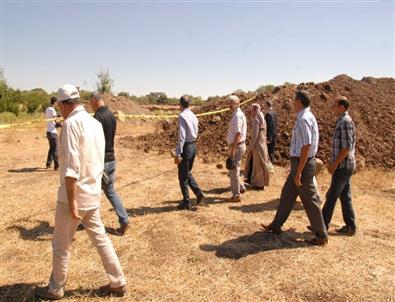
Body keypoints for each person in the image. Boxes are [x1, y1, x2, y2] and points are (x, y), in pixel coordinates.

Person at [35, 84, 126, 300]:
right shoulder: (94, 123)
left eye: (59, 106)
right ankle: (118, 281)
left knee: (60, 245)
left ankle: (56, 288)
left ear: (65, 104)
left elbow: (71, 167)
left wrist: (72, 201)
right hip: (93, 194)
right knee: (101, 238)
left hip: (74, 197)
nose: (60, 111)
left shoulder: (71, 125)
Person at [261, 90, 328, 246]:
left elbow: (306, 146)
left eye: (293, 100)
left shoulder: (304, 119)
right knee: (287, 195)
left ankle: (321, 235)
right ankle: (276, 225)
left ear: (299, 101)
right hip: (299, 163)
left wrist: (298, 171)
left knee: (310, 201)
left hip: (303, 165)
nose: (291, 103)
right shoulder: (306, 116)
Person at [89, 91, 129, 235]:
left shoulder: (98, 118)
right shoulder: (112, 115)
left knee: (94, 191)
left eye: (89, 103)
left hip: (101, 161)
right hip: (111, 159)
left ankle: (123, 219)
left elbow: (95, 142)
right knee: (109, 190)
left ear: (94, 100)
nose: (90, 106)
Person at [321, 96, 357, 236]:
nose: (332, 108)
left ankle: (321, 226)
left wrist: (334, 165)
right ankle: (350, 226)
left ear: (341, 107)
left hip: (343, 166)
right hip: (344, 165)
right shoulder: (341, 121)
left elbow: (346, 147)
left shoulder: (345, 122)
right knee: (345, 196)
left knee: (331, 196)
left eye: (334, 105)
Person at [174, 95, 204, 210]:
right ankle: (199, 194)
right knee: (187, 173)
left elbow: (181, 136)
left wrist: (177, 153)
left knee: (183, 177)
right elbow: (196, 131)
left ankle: (186, 202)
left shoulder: (182, 116)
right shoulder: (193, 115)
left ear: (180, 104)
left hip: (186, 148)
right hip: (193, 146)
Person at [244, 103, 270, 190]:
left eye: (251, 110)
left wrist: (250, 147)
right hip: (262, 143)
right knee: (262, 163)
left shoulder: (256, 120)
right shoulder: (262, 118)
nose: (250, 112)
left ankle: (258, 184)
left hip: (257, 144)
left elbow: (254, 136)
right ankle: (260, 182)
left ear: (255, 110)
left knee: (257, 165)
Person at [227, 95, 247, 202]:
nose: (229, 105)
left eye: (231, 103)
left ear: (237, 103)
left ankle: (236, 195)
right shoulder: (237, 114)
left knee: (233, 171)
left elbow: (238, 133)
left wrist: (233, 149)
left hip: (237, 146)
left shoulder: (237, 116)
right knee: (236, 169)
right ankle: (241, 187)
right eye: (229, 103)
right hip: (238, 145)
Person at [45, 96, 60, 170]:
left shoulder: (47, 109)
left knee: (51, 149)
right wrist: (60, 125)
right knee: (56, 149)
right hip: (53, 132)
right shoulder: (53, 110)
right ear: (54, 102)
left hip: (48, 131)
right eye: (57, 102)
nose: (57, 104)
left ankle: (48, 164)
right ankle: (57, 165)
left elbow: (53, 119)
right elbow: (55, 120)